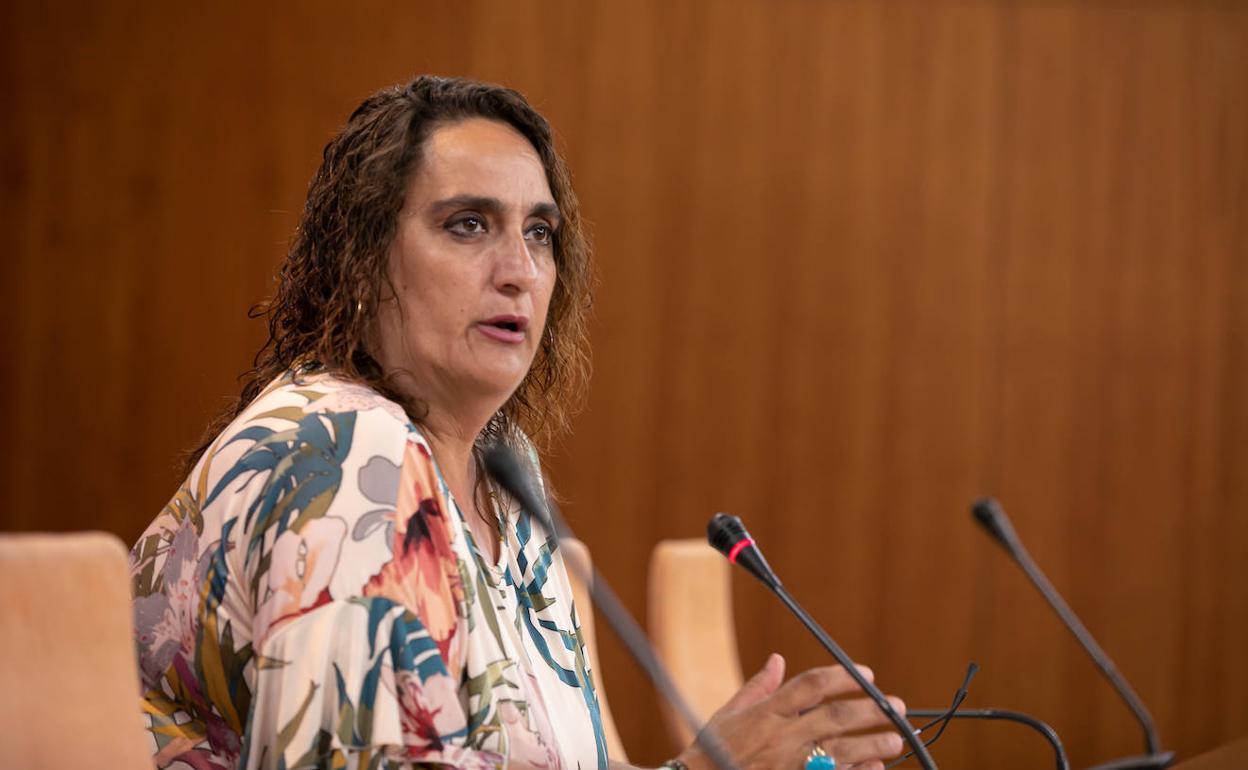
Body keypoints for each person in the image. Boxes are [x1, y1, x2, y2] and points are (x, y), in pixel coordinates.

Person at [130, 75, 908, 770]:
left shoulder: (504, 469)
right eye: (469, 224)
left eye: (539, 232)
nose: (521, 271)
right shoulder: (347, 454)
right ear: (362, 262)